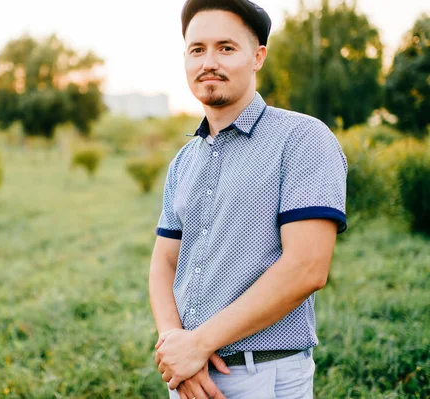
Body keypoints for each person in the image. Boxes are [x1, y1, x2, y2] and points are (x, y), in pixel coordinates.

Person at [148, 0, 348, 398]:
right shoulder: (184, 161)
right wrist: (176, 344)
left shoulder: (302, 139)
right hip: (188, 374)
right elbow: (164, 261)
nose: (209, 61)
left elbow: (307, 267)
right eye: (197, 49)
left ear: (257, 57)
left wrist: (199, 342)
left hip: (263, 374)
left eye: (226, 47)